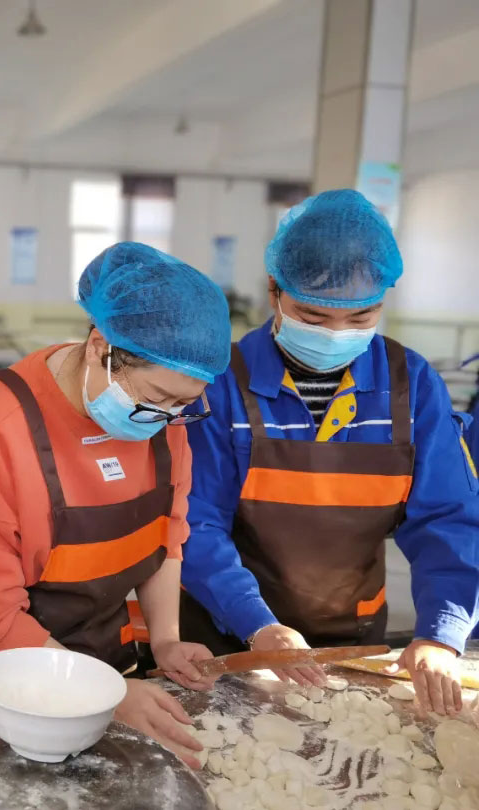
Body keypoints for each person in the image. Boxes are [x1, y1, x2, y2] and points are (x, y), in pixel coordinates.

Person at [0, 243, 233, 768]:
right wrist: (105, 696)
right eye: (158, 396)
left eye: (183, 405)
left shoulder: (161, 425)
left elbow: (166, 534)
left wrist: (167, 640)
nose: (167, 416)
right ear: (102, 346)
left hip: (97, 663)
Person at [180, 189, 479, 717]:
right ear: (274, 291)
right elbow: (198, 523)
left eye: (362, 318)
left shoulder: (412, 388)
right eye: (313, 318)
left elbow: (447, 520)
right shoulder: (223, 386)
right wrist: (256, 623)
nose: (337, 333)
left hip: (353, 631)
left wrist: (441, 634)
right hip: (230, 627)